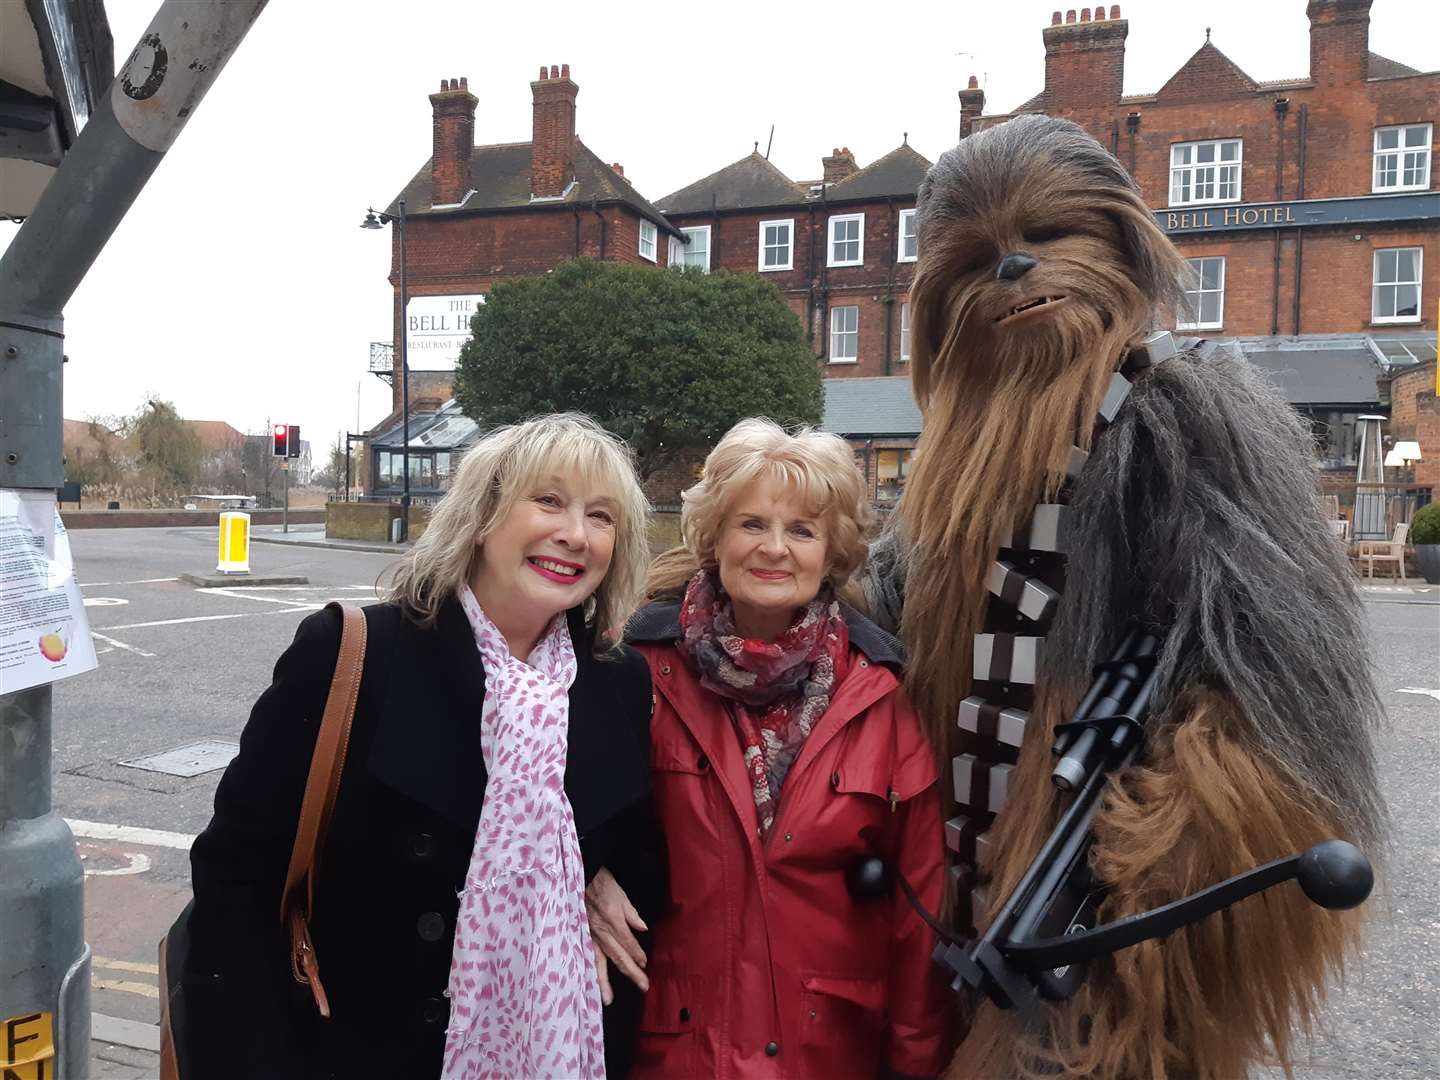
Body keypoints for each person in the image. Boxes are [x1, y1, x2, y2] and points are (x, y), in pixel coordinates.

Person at [182, 413, 663, 1079]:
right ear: (483, 514)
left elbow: (641, 865)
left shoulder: (618, 682)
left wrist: (579, 870)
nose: (575, 534)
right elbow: (236, 878)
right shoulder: (354, 655)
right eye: (548, 500)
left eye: (603, 516)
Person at [590, 418, 954, 1079]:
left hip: (828, 1053)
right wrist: (584, 877)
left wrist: (916, 1063)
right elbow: (553, 815)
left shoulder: (881, 696)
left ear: (832, 551)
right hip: (672, 1050)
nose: (775, 549)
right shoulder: (634, 668)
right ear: (716, 537)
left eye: (803, 531)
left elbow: (918, 914)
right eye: (752, 524)